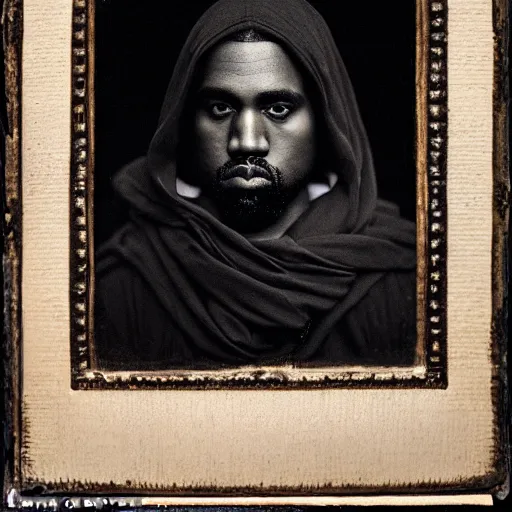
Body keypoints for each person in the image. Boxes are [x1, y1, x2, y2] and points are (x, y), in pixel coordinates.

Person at [95, 0, 417, 371]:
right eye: (221, 108)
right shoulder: (123, 288)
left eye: (277, 109)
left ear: (327, 123)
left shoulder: (402, 286)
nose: (247, 142)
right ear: (183, 122)